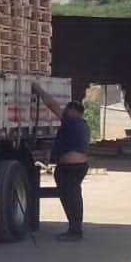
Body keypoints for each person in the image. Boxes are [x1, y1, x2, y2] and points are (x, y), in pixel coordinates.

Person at [33, 83, 90, 241]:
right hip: (75, 167)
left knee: (71, 198)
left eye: (67, 109)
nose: (64, 111)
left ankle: (75, 231)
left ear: (73, 111)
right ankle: (74, 229)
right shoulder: (83, 125)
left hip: (71, 169)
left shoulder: (71, 121)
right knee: (71, 197)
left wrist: (38, 89)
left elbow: (51, 105)